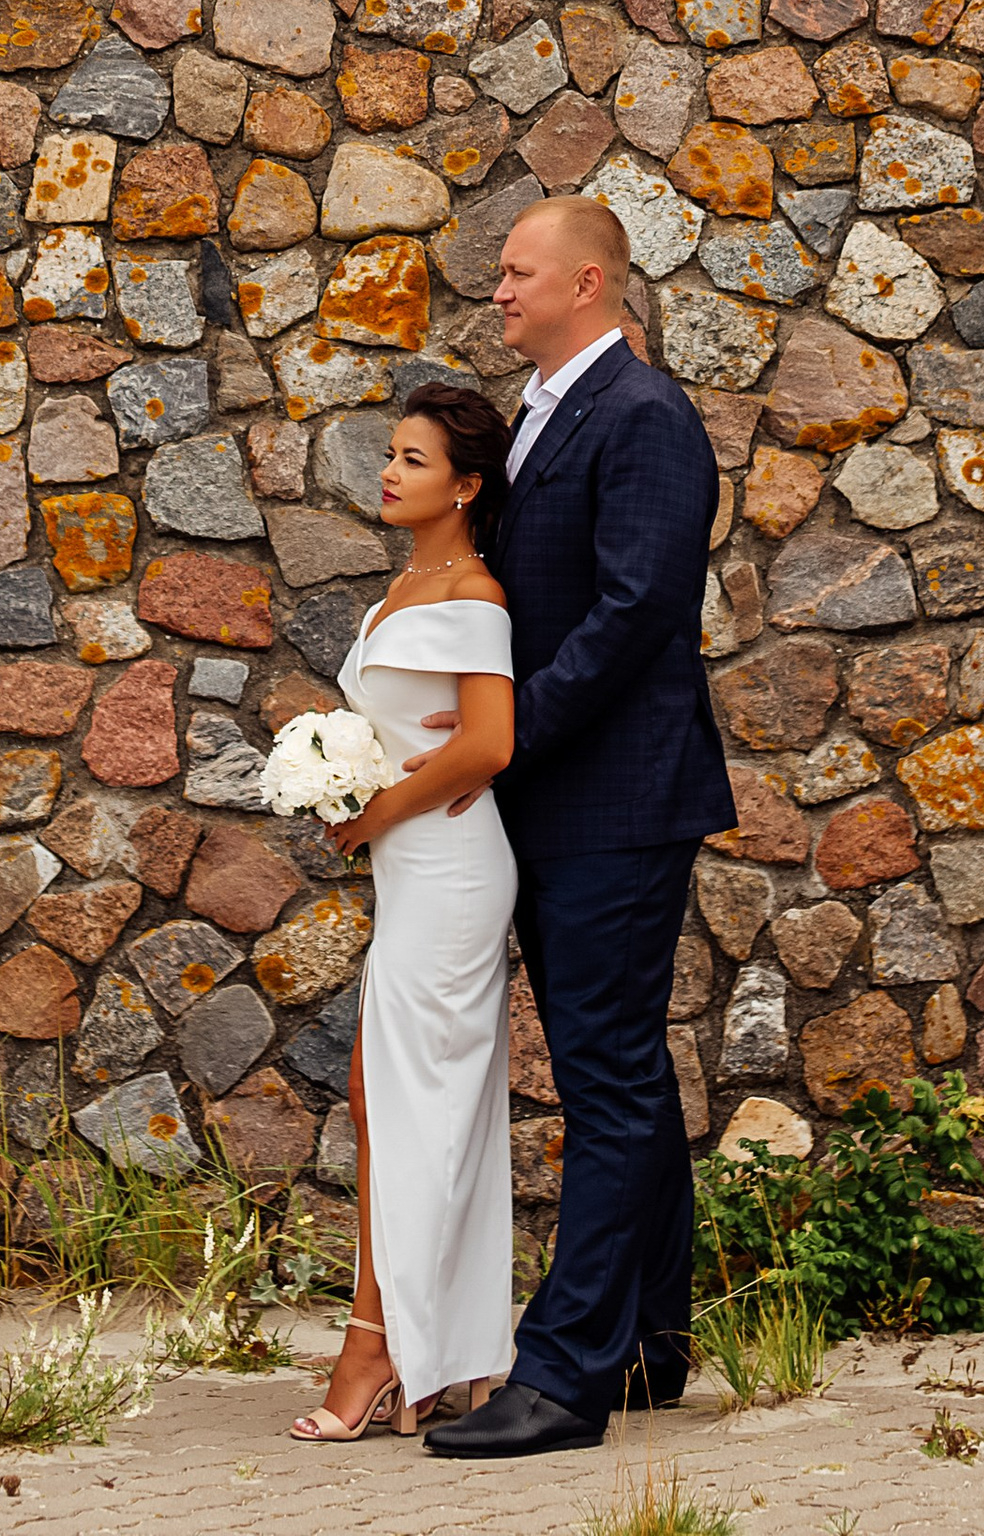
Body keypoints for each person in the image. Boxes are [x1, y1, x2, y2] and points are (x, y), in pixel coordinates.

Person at [423, 195, 733, 1462]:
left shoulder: (647, 417)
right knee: (623, 1070)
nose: (497, 291)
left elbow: (633, 614)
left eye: (516, 273)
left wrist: (507, 735)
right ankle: (652, 1338)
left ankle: (562, 1375)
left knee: (602, 1079)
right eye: (498, 274)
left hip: (615, 798)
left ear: (589, 283)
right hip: (559, 799)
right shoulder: (551, 410)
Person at [290, 383, 517, 1441]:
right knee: (394, 1103)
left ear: (466, 486)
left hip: (453, 871)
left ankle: (379, 1349)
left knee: (404, 1106)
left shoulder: (470, 592)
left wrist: (368, 809)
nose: (389, 471)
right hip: (413, 868)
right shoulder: (405, 588)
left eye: (414, 460)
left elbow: (487, 745)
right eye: (391, 454)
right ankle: (445, 1355)